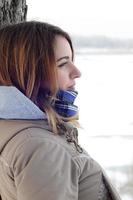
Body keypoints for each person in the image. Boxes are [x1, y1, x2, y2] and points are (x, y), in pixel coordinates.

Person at [0, 21, 121, 200]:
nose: (76, 72)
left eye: (72, 60)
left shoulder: (15, 126)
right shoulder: (42, 148)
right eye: (63, 63)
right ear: (29, 72)